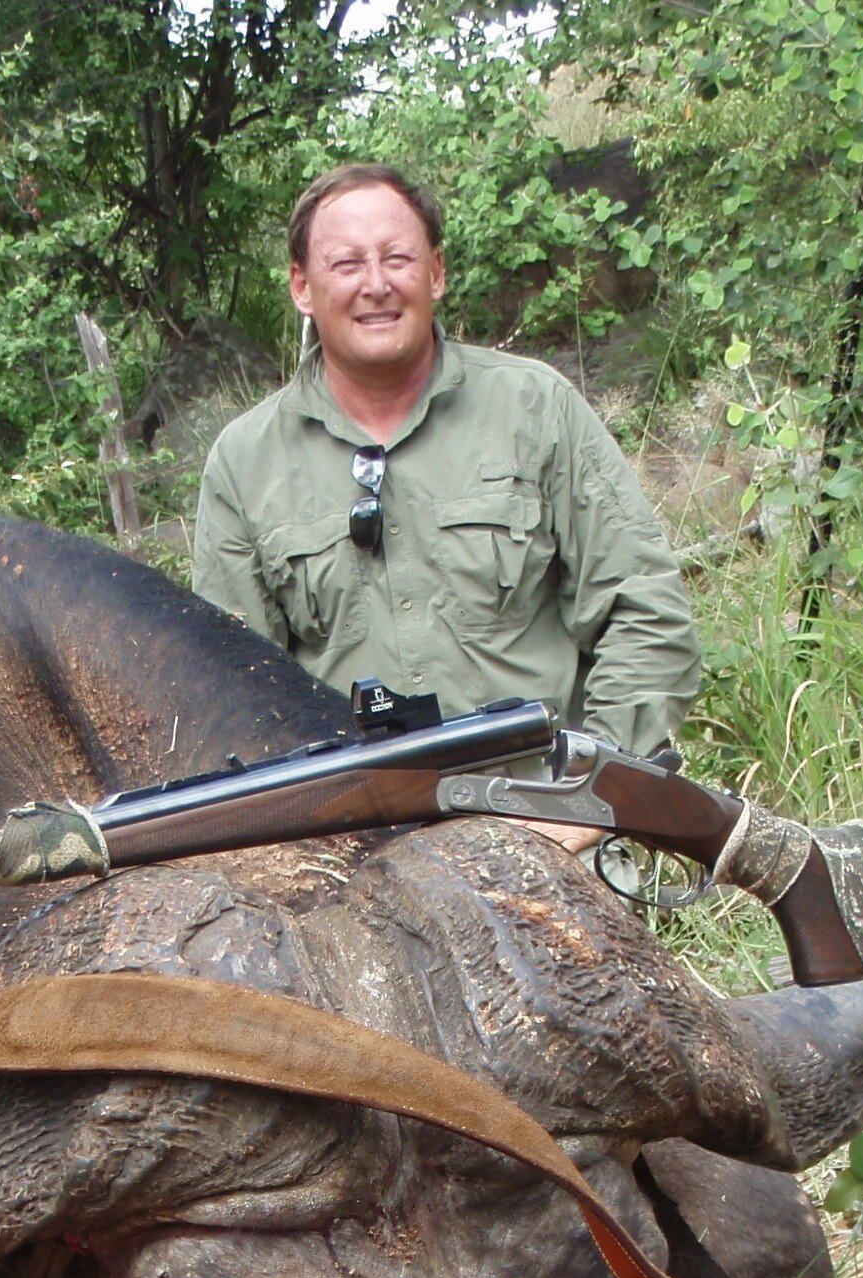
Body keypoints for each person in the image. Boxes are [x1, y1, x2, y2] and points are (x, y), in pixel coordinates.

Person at [192, 162, 701, 809]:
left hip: (544, 821)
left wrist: (589, 794)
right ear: (301, 286)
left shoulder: (535, 407)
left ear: (436, 272)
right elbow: (229, 697)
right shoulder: (244, 462)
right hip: (353, 845)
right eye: (346, 264)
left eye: (397, 258)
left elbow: (646, 611)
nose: (375, 285)